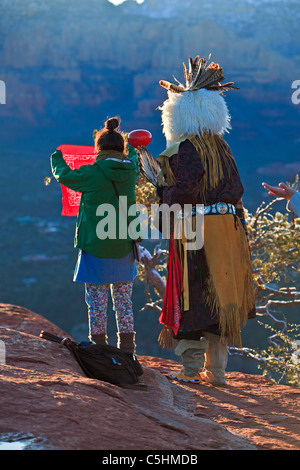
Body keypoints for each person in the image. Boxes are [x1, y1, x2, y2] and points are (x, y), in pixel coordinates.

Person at [156, 55, 256, 385]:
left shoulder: (187, 149)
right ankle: (217, 373)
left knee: (193, 296)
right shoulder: (222, 147)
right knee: (221, 296)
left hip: (197, 231)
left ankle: (190, 370)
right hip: (229, 230)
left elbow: (184, 190)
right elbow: (236, 188)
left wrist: (161, 188)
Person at [50, 117, 140, 354]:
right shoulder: (131, 171)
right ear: (121, 149)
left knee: (97, 304)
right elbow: (135, 160)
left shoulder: (91, 173)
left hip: (95, 246)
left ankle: (100, 352)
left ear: (97, 148)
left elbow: (66, 177)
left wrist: (56, 159)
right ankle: (127, 352)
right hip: (124, 244)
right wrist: (131, 148)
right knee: (124, 303)